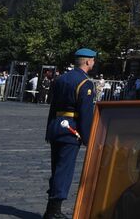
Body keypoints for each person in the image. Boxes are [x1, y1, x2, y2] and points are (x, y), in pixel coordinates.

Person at [43, 48, 97, 219]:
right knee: (64, 170)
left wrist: (49, 129)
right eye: (93, 60)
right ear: (88, 61)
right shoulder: (85, 83)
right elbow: (86, 114)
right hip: (71, 129)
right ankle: (53, 211)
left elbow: (53, 107)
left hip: (57, 126)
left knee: (56, 167)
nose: (93, 63)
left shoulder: (61, 79)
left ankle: (51, 208)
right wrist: (88, 138)